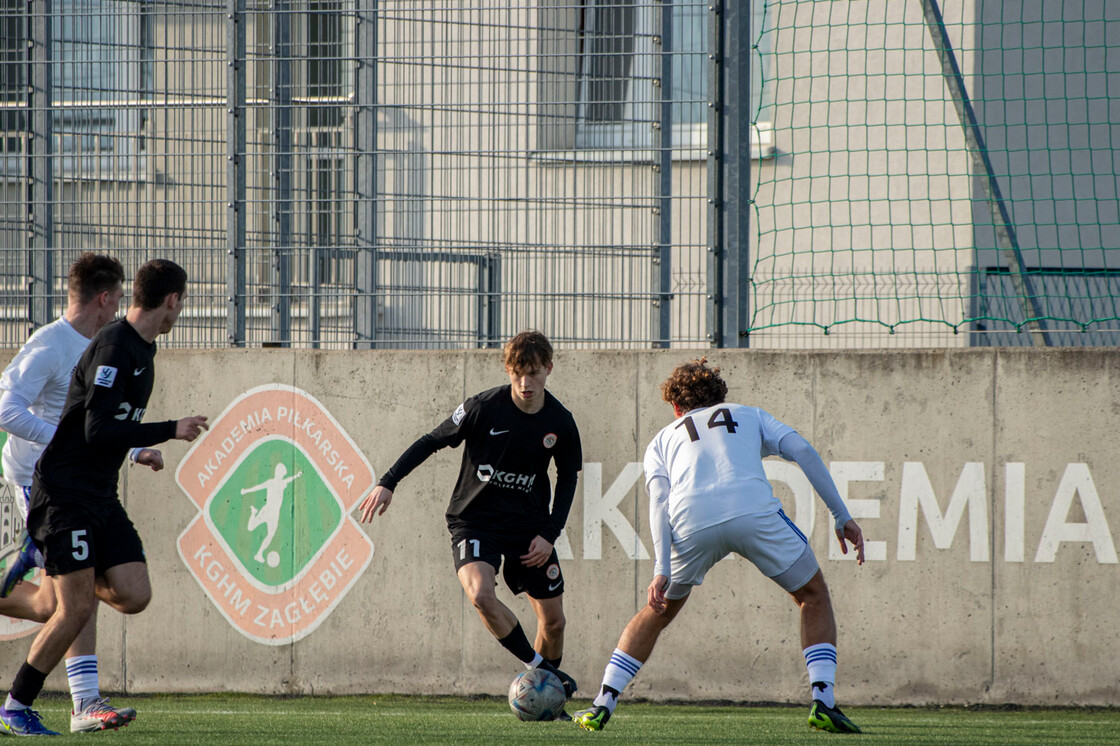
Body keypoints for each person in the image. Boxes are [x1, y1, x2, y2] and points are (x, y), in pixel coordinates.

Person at [572, 358, 866, 734]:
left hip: (690, 519)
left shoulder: (662, 440)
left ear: (676, 407)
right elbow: (803, 451)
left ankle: (602, 704)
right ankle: (823, 701)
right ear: (720, 397)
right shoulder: (748, 414)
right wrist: (842, 516)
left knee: (658, 611)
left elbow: (660, 501)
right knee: (812, 594)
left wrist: (661, 568)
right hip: (752, 511)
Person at [0, 259, 209, 737]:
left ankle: (52, 560)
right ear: (172, 300)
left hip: (98, 490)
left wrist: (137, 450)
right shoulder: (101, 344)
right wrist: (168, 430)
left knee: (128, 594)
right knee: (74, 607)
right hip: (61, 488)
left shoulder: (138, 347)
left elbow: (107, 422)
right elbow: (90, 427)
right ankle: (29, 705)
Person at [359, 330, 583, 713]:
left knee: (555, 624)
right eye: (517, 374)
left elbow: (568, 478)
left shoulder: (560, 421)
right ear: (508, 371)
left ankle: (549, 701)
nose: (525, 383)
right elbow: (431, 440)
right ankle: (541, 670)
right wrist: (388, 481)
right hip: (475, 522)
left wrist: (549, 533)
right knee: (480, 594)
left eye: (533, 373)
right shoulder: (483, 407)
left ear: (548, 368)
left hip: (529, 530)